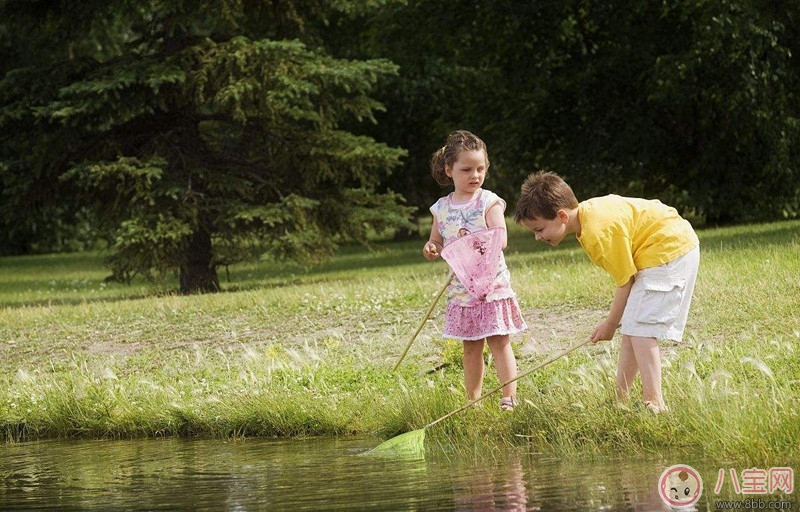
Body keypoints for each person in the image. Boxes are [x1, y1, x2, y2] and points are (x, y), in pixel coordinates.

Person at [513, 171, 699, 413]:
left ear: (561, 216)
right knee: (633, 329)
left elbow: (626, 280)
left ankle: (655, 402)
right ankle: (620, 399)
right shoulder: (586, 216)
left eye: (539, 229)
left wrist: (610, 324)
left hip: (668, 251)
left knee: (642, 330)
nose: (537, 237)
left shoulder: (598, 234)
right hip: (661, 249)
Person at [423, 130, 527, 411]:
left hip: (490, 286)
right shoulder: (442, 208)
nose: (475, 175)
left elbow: (500, 238)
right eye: (466, 169)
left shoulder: (488, 202)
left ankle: (509, 397)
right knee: (470, 346)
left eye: (480, 168)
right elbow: (437, 240)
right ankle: (474, 400)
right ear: (449, 170)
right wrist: (432, 247)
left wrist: (471, 245)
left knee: (498, 340)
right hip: (462, 289)